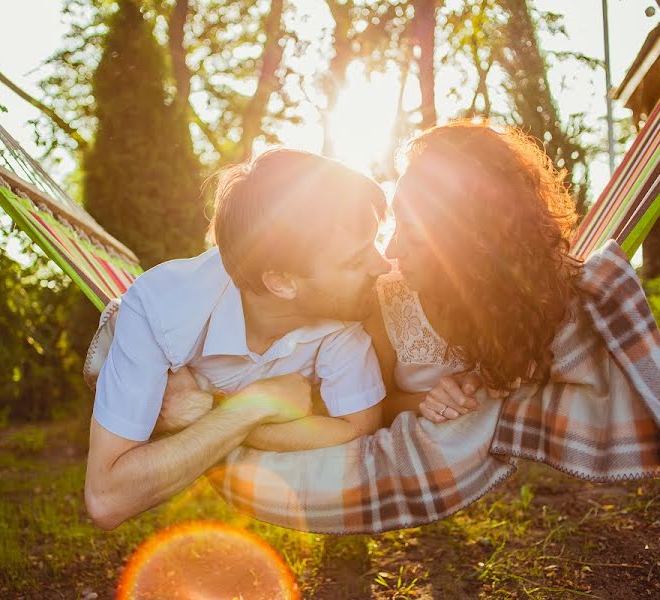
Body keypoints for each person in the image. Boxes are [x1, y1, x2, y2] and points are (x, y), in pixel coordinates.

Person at [84, 149, 393, 530]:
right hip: (139, 329)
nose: (383, 265)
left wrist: (210, 412)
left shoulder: (344, 314)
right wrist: (250, 408)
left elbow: (358, 429)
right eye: (355, 260)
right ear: (281, 281)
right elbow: (105, 499)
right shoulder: (160, 309)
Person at [365, 119, 582, 425]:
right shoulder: (386, 299)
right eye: (395, 226)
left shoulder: (543, 294)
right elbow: (374, 409)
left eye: (412, 231)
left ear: (472, 240)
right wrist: (424, 401)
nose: (391, 252)